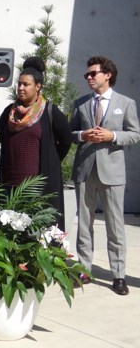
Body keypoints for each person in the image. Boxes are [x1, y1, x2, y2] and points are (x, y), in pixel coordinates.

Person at [71, 56, 140, 295]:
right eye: (87, 75)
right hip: (85, 169)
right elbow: (70, 133)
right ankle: (83, 269)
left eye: (93, 74)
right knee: (84, 223)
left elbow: (134, 134)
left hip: (112, 172)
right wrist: (83, 135)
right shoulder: (80, 103)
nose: (89, 77)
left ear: (107, 75)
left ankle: (118, 275)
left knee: (115, 225)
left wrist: (113, 136)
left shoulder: (126, 103)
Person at [0, 56, 72, 230]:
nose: (21, 88)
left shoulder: (50, 112)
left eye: (26, 84)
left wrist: (52, 161)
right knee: (8, 235)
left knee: (34, 236)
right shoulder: (9, 113)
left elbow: (66, 140)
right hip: (9, 186)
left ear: (38, 87)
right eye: (19, 84)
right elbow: (4, 140)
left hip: (36, 188)